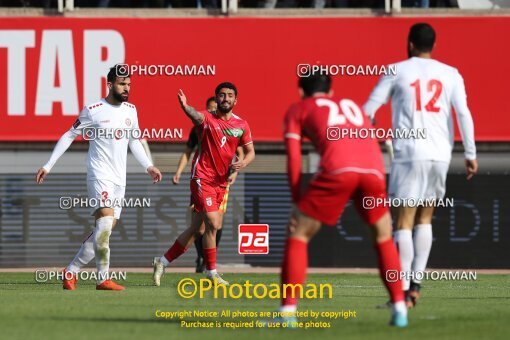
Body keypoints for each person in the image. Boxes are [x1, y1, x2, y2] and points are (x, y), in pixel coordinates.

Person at [271, 73, 407, 328]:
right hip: (374, 171)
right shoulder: (354, 106)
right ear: (331, 93)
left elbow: (294, 157)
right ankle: (400, 308)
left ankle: (287, 313)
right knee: (383, 235)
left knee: (299, 234)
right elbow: (368, 143)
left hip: (338, 170)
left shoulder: (298, 108)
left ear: (301, 92)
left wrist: (296, 199)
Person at [364, 23, 477, 307]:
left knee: (403, 222)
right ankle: (415, 286)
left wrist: (371, 126)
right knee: (425, 219)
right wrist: (470, 153)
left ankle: (401, 294)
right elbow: (463, 113)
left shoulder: (396, 70)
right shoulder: (451, 73)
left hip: (409, 152)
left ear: (410, 44)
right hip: (441, 154)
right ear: (433, 45)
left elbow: (369, 110)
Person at [36, 64, 162, 291]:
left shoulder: (131, 110)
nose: (127, 88)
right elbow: (69, 135)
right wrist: (48, 165)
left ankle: (71, 271)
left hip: (119, 180)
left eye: (129, 85)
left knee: (103, 232)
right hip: (99, 174)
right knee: (104, 224)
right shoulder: (93, 109)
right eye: (123, 84)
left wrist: (148, 166)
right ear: (110, 84)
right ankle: (103, 279)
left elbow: (134, 140)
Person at [153, 82, 255, 286]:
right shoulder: (207, 119)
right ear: (216, 99)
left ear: (236, 100)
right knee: (213, 222)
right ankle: (212, 271)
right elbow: (195, 115)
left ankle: (162, 261)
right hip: (202, 177)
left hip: (221, 182)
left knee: (198, 229)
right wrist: (185, 107)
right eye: (222, 95)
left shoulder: (241, 125)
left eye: (229, 95)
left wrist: (243, 162)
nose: (225, 98)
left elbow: (250, 151)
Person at [172, 96, 243, 273]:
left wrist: (235, 172)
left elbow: (240, 152)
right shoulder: (199, 127)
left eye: (214, 108)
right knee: (200, 225)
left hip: (220, 181)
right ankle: (203, 258)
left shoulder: (232, 127)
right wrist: (179, 172)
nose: (212, 111)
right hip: (202, 180)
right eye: (209, 108)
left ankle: (209, 260)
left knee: (215, 223)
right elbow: (187, 152)